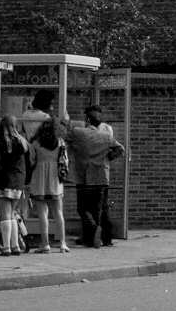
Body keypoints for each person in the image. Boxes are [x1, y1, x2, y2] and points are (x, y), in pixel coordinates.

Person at [66, 105, 125, 248]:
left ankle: (92, 231)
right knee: (101, 209)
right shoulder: (107, 135)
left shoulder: (78, 133)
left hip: (84, 176)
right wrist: (107, 158)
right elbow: (120, 149)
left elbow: (66, 137)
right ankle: (106, 238)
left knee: (82, 208)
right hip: (102, 176)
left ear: (87, 119)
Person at [0, 114, 31, 256]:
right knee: (12, 214)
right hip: (18, 181)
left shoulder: (0, 143)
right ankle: (16, 246)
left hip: (3, 181)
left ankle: (6, 247)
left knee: (5, 215)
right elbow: (28, 163)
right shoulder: (22, 143)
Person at [28, 118, 70, 253]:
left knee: (42, 214)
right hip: (54, 180)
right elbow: (65, 161)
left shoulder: (35, 143)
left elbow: (31, 160)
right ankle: (62, 243)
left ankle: (45, 244)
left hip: (39, 179)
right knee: (58, 212)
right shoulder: (60, 142)